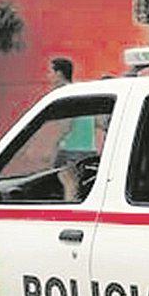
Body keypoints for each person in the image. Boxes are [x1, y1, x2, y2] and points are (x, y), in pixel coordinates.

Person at [47, 58, 94, 202]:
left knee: (68, 183)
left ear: (59, 73)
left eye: (50, 72)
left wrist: (53, 146)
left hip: (70, 148)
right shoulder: (79, 92)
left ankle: (70, 210)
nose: (48, 76)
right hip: (87, 147)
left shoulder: (65, 94)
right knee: (78, 185)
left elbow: (66, 125)